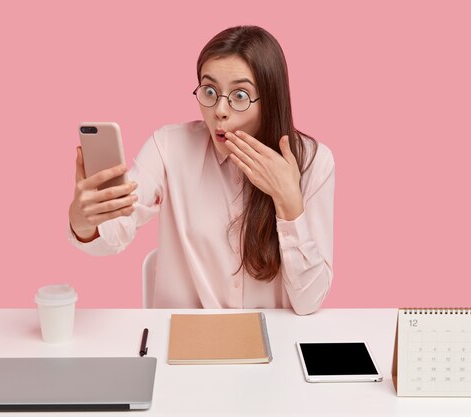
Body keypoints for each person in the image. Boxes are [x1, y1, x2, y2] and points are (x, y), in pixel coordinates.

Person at [68, 26, 334, 315]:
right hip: (184, 340)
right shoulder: (168, 147)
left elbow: (310, 302)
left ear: (270, 100)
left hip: (273, 342)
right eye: (209, 91)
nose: (219, 110)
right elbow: (116, 231)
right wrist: (84, 223)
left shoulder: (314, 162)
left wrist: (288, 202)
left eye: (240, 95)